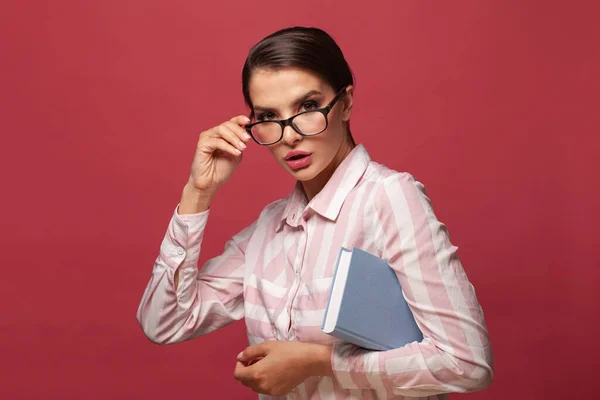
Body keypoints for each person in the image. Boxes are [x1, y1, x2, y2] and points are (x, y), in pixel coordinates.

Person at [136, 26, 494, 399]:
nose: (289, 135)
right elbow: (164, 322)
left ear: (347, 103)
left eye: (307, 106)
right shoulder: (269, 228)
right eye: (269, 116)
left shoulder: (389, 198)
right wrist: (198, 192)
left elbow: (466, 362)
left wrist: (321, 362)